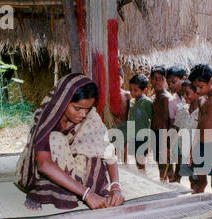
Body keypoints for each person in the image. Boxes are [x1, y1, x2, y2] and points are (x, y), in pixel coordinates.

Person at [16, 73, 124, 211]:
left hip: (72, 166)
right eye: (77, 108)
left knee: (94, 155)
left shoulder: (90, 117)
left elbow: (109, 152)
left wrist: (115, 186)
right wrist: (87, 194)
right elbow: (43, 164)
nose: (83, 114)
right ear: (64, 101)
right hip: (43, 167)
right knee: (56, 139)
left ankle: (78, 189)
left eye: (87, 109)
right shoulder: (45, 117)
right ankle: (44, 191)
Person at [188, 64, 212, 209]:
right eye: (195, 88)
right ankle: (199, 208)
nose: (197, 90)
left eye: (200, 86)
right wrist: (193, 150)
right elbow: (199, 126)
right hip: (201, 146)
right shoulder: (201, 100)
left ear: (211, 81)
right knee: (200, 182)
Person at [175, 80, 200, 191]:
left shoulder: (202, 111)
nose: (184, 96)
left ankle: (196, 197)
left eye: (187, 93)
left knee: (196, 179)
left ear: (196, 92)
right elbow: (177, 131)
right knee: (185, 175)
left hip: (196, 152)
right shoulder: (182, 110)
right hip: (183, 150)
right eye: (182, 93)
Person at [150, 65, 173, 182]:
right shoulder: (154, 98)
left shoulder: (166, 98)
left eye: (161, 79)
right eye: (155, 78)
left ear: (165, 81)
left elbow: (168, 122)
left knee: (167, 165)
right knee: (160, 163)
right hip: (155, 134)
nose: (157, 82)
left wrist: (168, 144)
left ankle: (171, 188)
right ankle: (164, 185)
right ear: (150, 79)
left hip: (164, 135)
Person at [166, 66, 188, 182]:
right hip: (180, 137)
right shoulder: (172, 101)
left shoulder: (193, 96)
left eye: (173, 82)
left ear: (184, 78)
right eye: (169, 83)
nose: (171, 85)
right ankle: (175, 182)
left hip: (193, 136)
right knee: (179, 163)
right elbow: (172, 123)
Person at [128, 74, 153, 172]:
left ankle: (143, 175)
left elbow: (151, 119)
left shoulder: (147, 102)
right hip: (133, 135)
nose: (132, 92)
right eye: (131, 89)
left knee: (141, 158)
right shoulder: (132, 102)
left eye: (135, 90)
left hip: (143, 136)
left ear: (144, 90)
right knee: (136, 158)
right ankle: (141, 174)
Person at [111, 69, 131, 163]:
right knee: (112, 148)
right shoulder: (108, 95)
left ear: (123, 81)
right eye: (114, 79)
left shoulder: (127, 95)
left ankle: (125, 163)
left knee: (125, 148)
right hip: (113, 125)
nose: (117, 81)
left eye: (119, 79)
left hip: (124, 125)